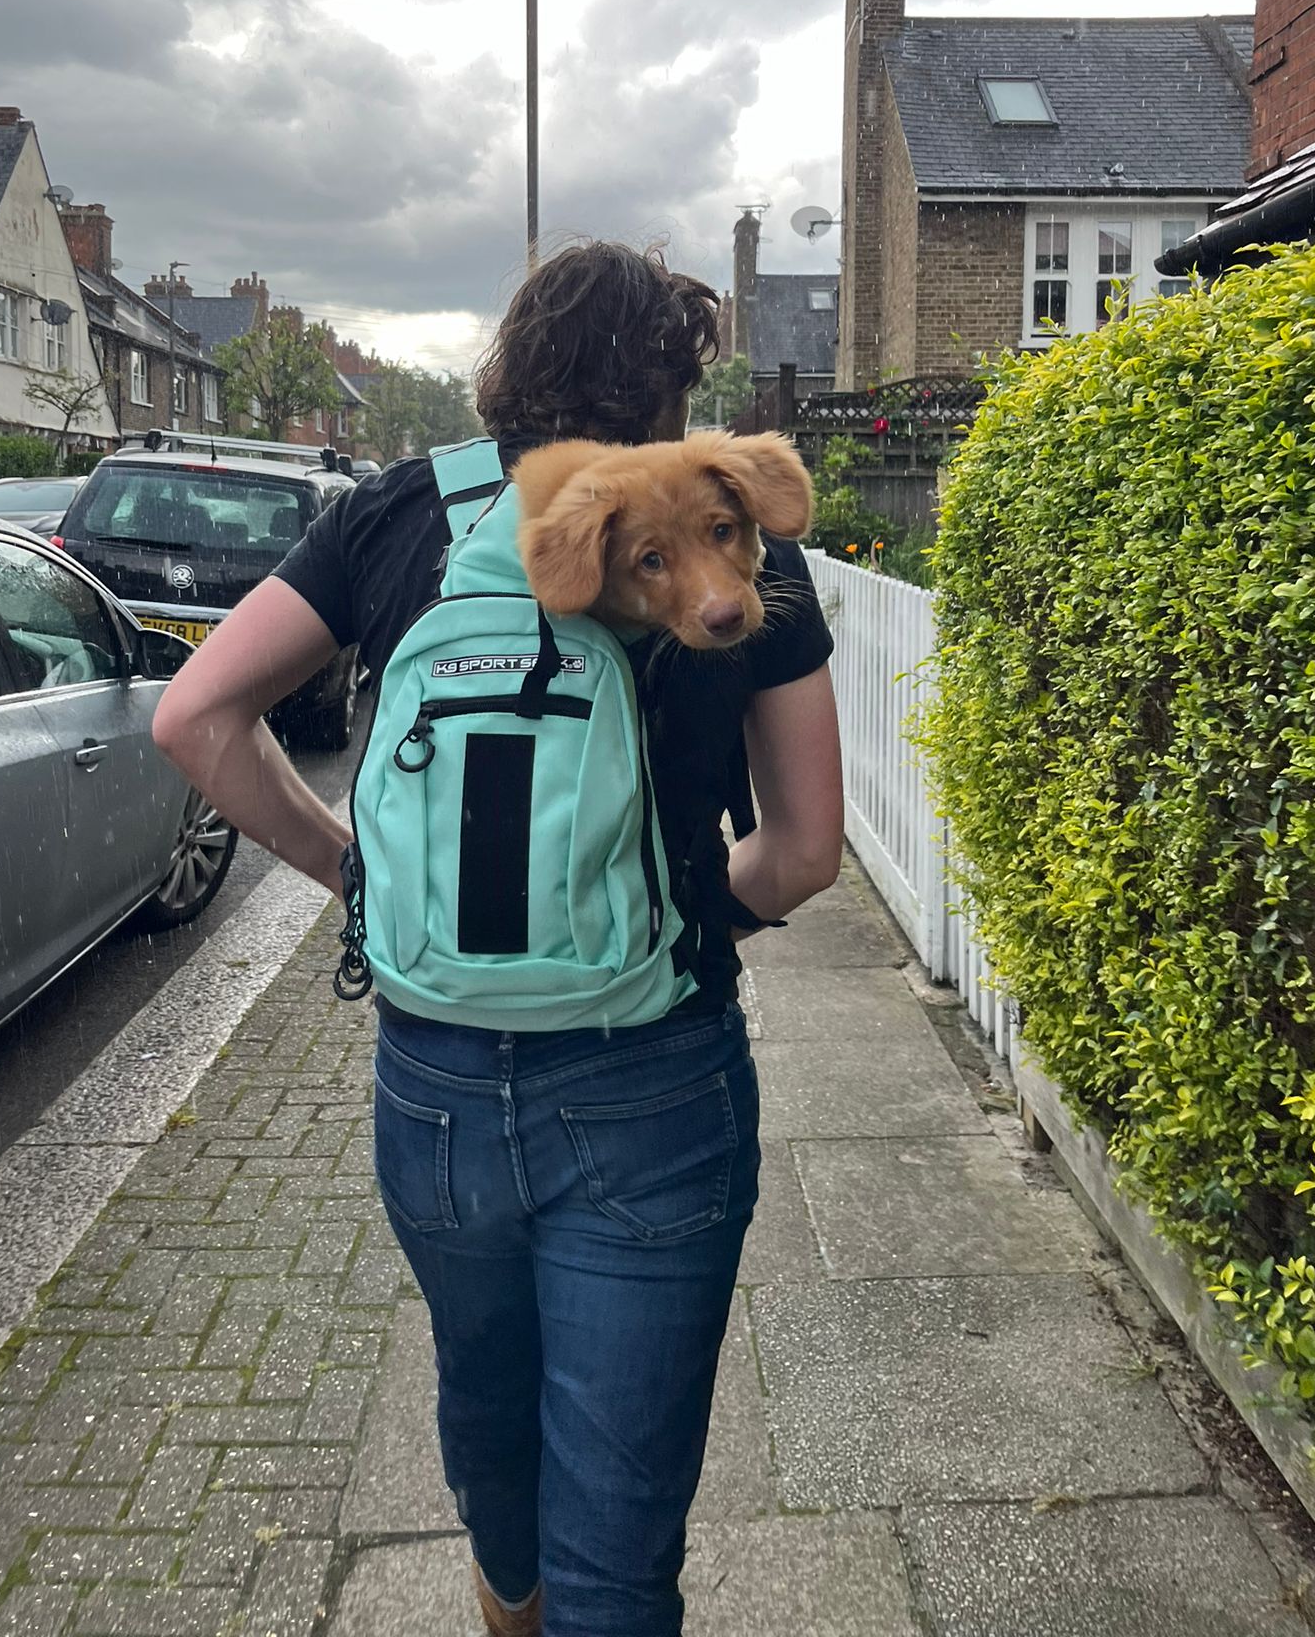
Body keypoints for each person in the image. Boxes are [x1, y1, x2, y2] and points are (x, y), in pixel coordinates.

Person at [152, 241, 844, 1637]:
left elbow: (195, 721)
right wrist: (679, 930)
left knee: (486, 1401)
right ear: (674, 388)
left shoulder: (398, 514)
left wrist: (360, 884)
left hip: (440, 1086)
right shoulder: (721, 544)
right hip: (657, 1080)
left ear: (505, 371)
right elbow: (808, 849)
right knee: (622, 1531)